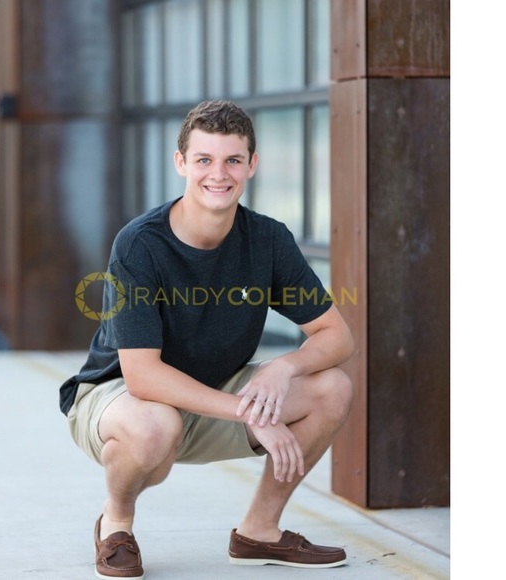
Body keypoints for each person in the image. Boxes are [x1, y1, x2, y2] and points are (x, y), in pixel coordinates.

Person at [59, 100, 354, 580]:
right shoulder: (140, 244)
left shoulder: (268, 240)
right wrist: (250, 413)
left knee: (332, 387)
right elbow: (143, 376)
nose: (219, 174)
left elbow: (336, 337)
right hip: (122, 398)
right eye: (204, 160)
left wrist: (284, 368)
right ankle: (116, 524)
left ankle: (259, 532)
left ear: (252, 165)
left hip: (213, 392)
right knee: (155, 429)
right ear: (181, 163)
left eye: (233, 160)